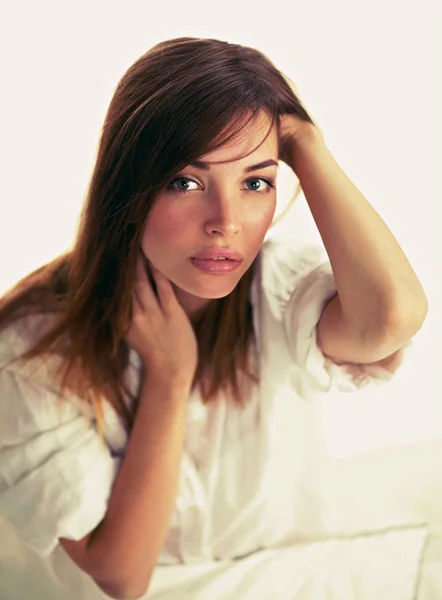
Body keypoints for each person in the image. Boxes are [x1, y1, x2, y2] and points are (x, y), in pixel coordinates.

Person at [0, 36, 428, 600]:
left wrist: (302, 139)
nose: (226, 222)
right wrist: (170, 376)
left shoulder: (277, 286)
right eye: (187, 182)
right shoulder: (34, 347)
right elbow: (120, 576)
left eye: (256, 182)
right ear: (128, 187)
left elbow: (392, 317)